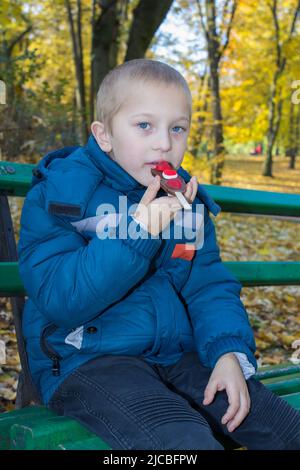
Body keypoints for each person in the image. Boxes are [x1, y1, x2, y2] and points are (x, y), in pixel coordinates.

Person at [18, 59, 300, 450]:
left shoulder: (186, 202)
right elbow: (61, 299)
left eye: (177, 128)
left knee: (283, 427)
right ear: (105, 135)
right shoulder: (62, 195)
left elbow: (208, 286)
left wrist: (228, 352)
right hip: (88, 360)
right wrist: (139, 232)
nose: (164, 143)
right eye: (144, 126)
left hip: (177, 356)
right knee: (184, 440)